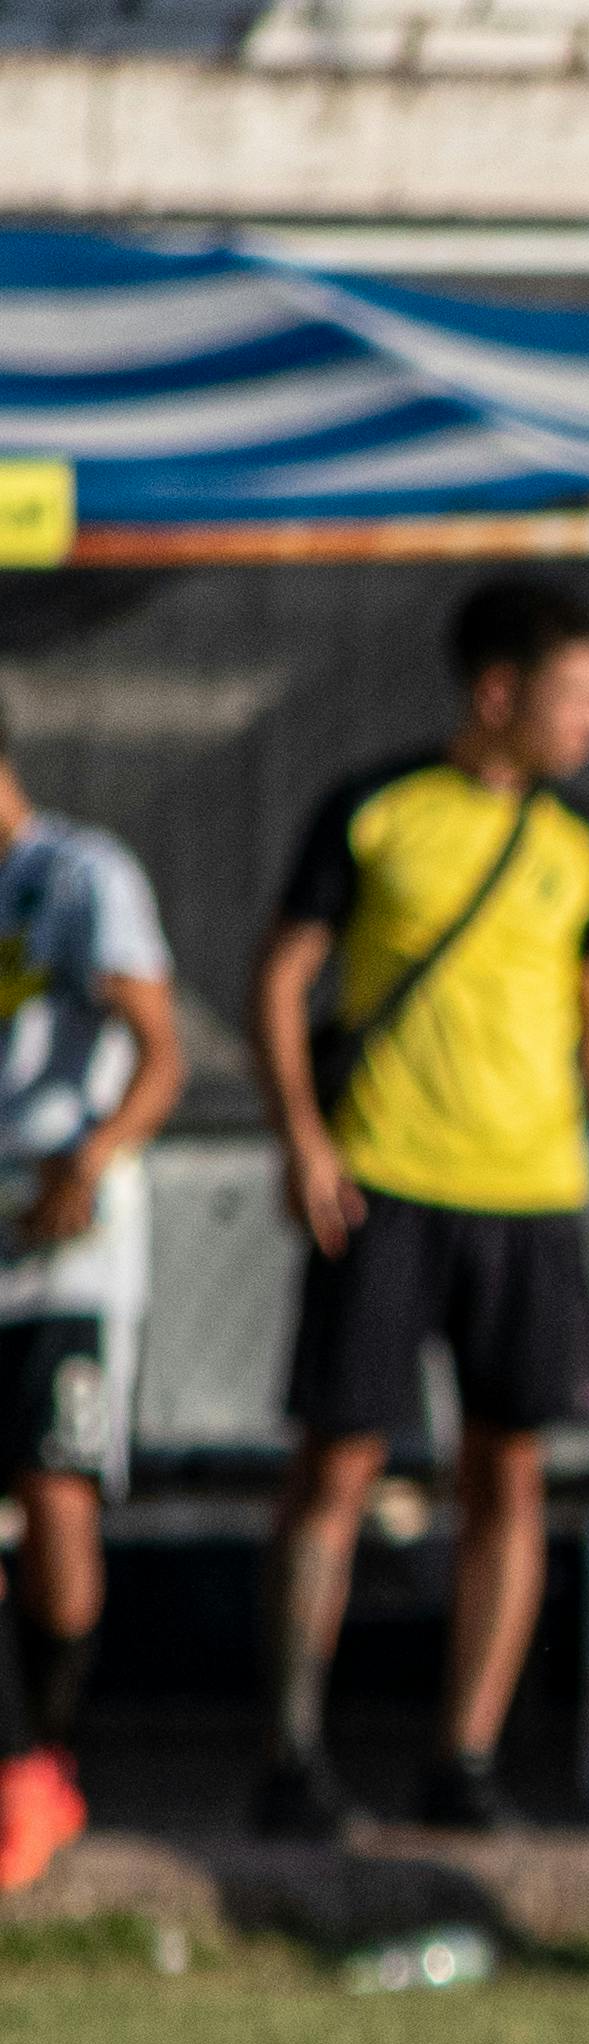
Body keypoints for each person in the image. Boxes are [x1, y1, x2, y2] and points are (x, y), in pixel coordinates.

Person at [249, 577, 589, 1840]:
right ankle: (291, 1753)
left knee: (512, 1477)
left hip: (532, 1198)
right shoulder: (377, 812)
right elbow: (282, 978)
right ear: (499, 691)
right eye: (579, 692)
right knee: (337, 1464)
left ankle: (465, 1762)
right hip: (386, 1184)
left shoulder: (583, 843)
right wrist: (304, 1138)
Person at [0, 704, 184, 1889]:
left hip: (63, 1243)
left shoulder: (75, 874)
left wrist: (93, 1153)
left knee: (58, 1495)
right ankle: (15, 1765)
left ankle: (50, 1759)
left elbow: (158, 1050)